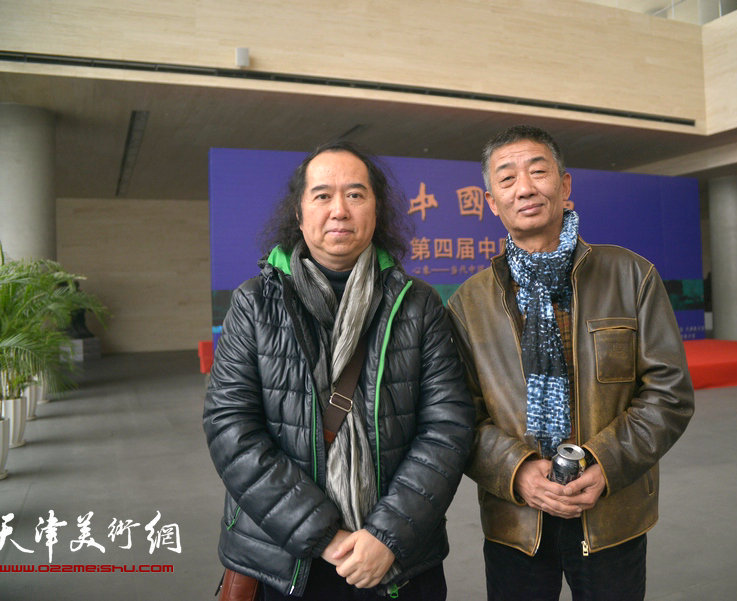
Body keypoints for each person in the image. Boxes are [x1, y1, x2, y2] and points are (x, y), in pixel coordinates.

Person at [203, 140, 474, 600]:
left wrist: (387, 535)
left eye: (355, 194)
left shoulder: (418, 304)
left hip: (398, 558)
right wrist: (324, 535)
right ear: (299, 212)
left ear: (376, 209)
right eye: (323, 195)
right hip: (287, 559)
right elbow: (230, 427)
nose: (339, 210)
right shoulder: (255, 303)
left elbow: (447, 427)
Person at [447, 125, 694, 601]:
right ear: (492, 202)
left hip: (611, 513)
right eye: (507, 179)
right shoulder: (468, 304)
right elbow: (457, 414)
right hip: (516, 521)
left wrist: (605, 463)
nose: (525, 188)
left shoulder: (631, 276)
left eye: (538, 172)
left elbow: (669, 394)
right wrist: (518, 470)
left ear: (564, 186)